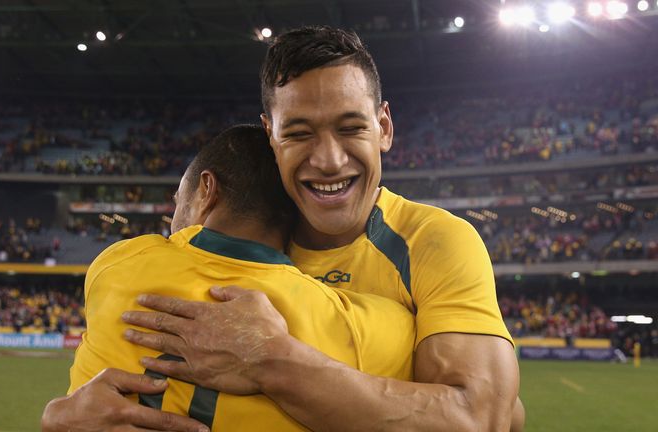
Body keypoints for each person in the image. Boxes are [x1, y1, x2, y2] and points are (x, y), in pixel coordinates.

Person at [43, 26, 523, 432]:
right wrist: (62, 417)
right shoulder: (232, 249)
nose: (329, 159)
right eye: (298, 132)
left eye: (351, 127)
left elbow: (483, 418)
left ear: (385, 128)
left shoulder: (433, 240)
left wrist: (272, 360)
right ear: (269, 135)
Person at [50, 125, 416, 431]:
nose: (174, 216)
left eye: (180, 200)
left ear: (207, 191)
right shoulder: (362, 325)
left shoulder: (117, 264)